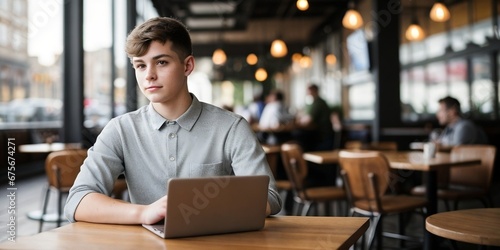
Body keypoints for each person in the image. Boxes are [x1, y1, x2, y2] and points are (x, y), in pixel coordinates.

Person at [64, 17, 282, 225]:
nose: (149, 75)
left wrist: (201, 210)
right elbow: (77, 201)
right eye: (140, 65)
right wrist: (144, 212)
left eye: (161, 62)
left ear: (187, 66)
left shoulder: (232, 128)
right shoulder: (120, 130)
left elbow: (269, 197)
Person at [295, 84, 334, 152]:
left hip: (322, 135)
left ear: (315, 91)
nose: (308, 93)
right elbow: (304, 116)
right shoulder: (311, 103)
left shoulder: (319, 103)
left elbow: (308, 120)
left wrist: (299, 121)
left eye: (309, 91)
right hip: (317, 134)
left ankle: (304, 160)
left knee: (298, 136)